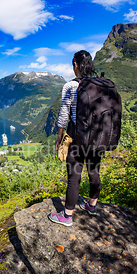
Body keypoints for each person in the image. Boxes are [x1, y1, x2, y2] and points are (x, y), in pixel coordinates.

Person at [49, 50, 101, 227]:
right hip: (97, 135)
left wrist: (59, 136)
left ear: (76, 65)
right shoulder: (100, 84)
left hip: (78, 136)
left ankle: (67, 215)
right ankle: (92, 206)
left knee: (74, 176)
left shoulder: (71, 86)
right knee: (94, 170)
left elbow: (64, 115)